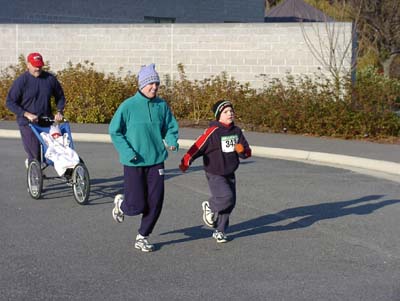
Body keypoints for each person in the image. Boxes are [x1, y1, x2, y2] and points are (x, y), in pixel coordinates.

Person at [109, 63, 179, 252]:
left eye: (157, 84)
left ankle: (142, 236)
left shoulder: (161, 105)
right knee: (136, 204)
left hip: (156, 160)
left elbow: (170, 127)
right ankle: (121, 204)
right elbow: (114, 131)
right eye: (151, 84)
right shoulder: (128, 106)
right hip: (134, 162)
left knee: (156, 201)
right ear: (141, 84)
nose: (154, 87)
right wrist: (127, 152)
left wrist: (171, 140)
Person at [179, 100, 251, 243]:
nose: (230, 114)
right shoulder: (213, 132)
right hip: (214, 172)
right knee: (226, 197)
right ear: (219, 115)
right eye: (226, 112)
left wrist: (243, 151)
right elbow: (198, 146)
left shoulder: (236, 131)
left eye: (231, 111)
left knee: (230, 202)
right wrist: (186, 161)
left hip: (230, 171)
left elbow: (246, 151)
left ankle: (220, 231)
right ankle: (209, 206)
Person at [6, 52, 66, 167]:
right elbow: (10, 102)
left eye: (39, 66)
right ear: (28, 65)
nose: (37, 68)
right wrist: (26, 114)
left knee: (57, 149)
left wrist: (59, 111)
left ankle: (67, 171)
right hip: (27, 123)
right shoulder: (22, 81)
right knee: (35, 152)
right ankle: (34, 171)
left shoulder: (50, 79)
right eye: (35, 66)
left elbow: (60, 97)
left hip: (46, 120)